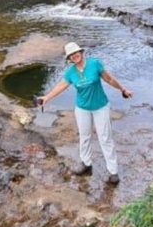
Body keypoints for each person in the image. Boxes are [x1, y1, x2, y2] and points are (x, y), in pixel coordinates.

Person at [37, 42, 132, 184]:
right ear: (69, 59)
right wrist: (46, 98)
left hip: (100, 107)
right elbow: (61, 86)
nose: (74, 56)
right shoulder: (70, 72)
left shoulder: (95, 64)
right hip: (82, 108)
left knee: (105, 138)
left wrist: (122, 89)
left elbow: (109, 79)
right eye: (71, 55)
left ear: (81, 52)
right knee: (84, 136)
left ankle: (113, 172)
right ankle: (86, 164)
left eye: (76, 53)